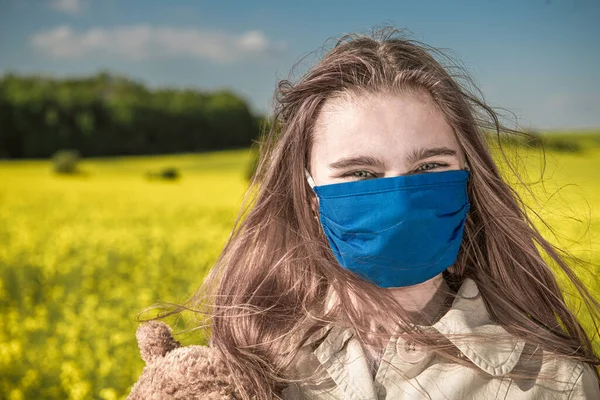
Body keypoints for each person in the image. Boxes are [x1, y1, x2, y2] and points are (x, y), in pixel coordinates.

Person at [152, 28, 600, 399]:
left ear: (469, 177)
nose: (401, 199)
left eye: (429, 168)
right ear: (311, 195)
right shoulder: (249, 364)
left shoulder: (553, 384)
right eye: (361, 173)